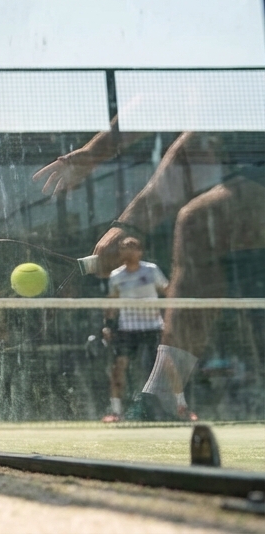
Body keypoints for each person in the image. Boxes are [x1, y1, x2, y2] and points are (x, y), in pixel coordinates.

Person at [36, 129, 264, 420]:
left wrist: (130, 227)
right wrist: (91, 154)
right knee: (196, 146)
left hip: (148, 325)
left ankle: (161, 400)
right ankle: (160, 399)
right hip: (132, 330)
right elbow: (153, 106)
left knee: (198, 223)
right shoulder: (212, 103)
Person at [100, 237, 169, 422]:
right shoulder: (116, 275)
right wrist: (107, 325)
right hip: (127, 329)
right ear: (120, 252)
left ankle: (178, 408)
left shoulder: (151, 270)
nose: (127, 249)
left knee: (163, 368)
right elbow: (112, 302)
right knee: (118, 367)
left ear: (140, 251)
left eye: (132, 246)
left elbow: (168, 293)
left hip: (153, 327)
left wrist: (169, 321)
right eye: (123, 247)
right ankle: (116, 412)